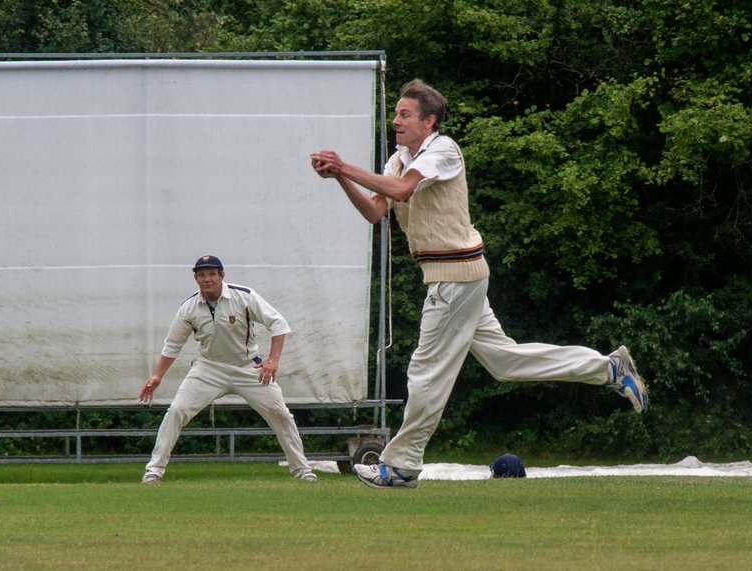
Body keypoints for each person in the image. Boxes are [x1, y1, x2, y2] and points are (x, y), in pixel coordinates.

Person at [309, 79, 648, 490]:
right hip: (456, 277)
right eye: (395, 113)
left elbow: (402, 190)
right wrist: (341, 179)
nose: (395, 120)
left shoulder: (444, 150)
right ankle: (608, 368)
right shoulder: (397, 158)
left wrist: (344, 165)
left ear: (429, 120)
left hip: (456, 276)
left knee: (425, 373)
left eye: (404, 114)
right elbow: (375, 212)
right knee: (506, 362)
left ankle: (400, 466)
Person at [138, 255, 317, 483]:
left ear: (221, 275)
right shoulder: (189, 308)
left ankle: (303, 471)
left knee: (281, 414)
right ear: (196, 278)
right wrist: (157, 375)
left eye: (212, 274)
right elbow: (173, 344)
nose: (207, 279)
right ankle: (154, 471)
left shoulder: (243, 296)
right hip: (209, 369)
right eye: (202, 275)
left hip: (249, 367)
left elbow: (278, 324)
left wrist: (273, 360)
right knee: (177, 410)